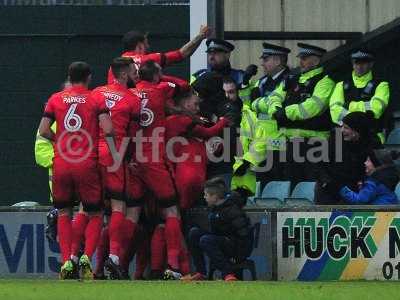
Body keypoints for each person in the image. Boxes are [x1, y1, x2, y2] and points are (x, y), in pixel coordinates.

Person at [37, 61, 114, 279]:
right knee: (95, 212)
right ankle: (87, 257)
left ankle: (67, 262)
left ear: (69, 78)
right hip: (86, 162)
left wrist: (60, 140)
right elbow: (108, 129)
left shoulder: (55, 98)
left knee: (63, 213)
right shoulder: (96, 98)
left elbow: (44, 131)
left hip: (62, 162)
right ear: (89, 77)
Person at [129, 60, 188, 278]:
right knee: (171, 211)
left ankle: (116, 264)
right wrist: (163, 79)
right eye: (159, 73)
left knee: (130, 214)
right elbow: (183, 86)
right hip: (154, 159)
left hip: (131, 160)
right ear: (155, 76)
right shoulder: (161, 89)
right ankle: (172, 266)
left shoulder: (130, 94)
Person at [90, 57, 141, 279]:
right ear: (123, 74)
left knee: (90, 211)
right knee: (120, 209)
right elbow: (133, 134)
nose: (135, 75)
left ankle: (78, 260)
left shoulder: (97, 92)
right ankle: (114, 257)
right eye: (133, 71)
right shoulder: (132, 99)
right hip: (116, 155)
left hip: (91, 156)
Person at [269, 43, 336, 185]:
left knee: (312, 184)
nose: (301, 62)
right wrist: (275, 110)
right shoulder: (292, 79)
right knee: (290, 185)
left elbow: (313, 107)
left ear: (316, 61)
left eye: (305, 58)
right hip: (290, 143)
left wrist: (285, 112)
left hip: (314, 144)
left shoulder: (325, 81)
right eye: (301, 58)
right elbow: (274, 97)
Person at [236, 43, 291, 192]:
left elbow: (272, 103)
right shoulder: (263, 81)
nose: (262, 63)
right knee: (262, 182)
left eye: (266, 59)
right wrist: (245, 83)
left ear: (278, 61)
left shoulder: (288, 80)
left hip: (278, 140)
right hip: (259, 139)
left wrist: (256, 103)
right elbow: (247, 103)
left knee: (276, 183)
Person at [166, 90, 231, 210]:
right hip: (187, 176)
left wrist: (215, 146)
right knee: (179, 213)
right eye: (195, 104)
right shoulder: (180, 121)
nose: (198, 108)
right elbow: (207, 133)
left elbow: (197, 145)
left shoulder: (186, 125)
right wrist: (224, 121)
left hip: (192, 175)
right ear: (186, 104)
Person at [184, 177, 252, 282]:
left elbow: (244, 233)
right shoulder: (215, 208)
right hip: (223, 239)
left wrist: (240, 256)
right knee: (194, 233)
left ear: (215, 197)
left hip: (235, 246)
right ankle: (201, 272)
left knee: (206, 240)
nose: (204, 197)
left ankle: (228, 273)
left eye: (206, 195)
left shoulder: (232, 210)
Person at [315, 112, 382, 205]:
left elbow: (379, 168)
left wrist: (364, 182)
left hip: (357, 187)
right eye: (342, 126)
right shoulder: (336, 139)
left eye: (346, 128)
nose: (342, 130)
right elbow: (319, 163)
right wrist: (326, 182)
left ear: (357, 130)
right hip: (330, 186)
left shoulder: (372, 142)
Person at [108, 25, 211, 84]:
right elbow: (182, 54)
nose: (148, 47)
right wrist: (201, 36)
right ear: (140, 46)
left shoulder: (114, 67)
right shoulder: (147, 60)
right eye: (146, 43)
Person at [330, 49, 391, 143]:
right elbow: (334, 111)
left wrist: (349, 105)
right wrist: (352, 125)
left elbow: (376, 109)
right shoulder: (341, 85)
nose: (359, 66)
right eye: (356, 63)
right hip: (346, 136)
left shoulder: (382, 85)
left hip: (371, 136)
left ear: (371, 64)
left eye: (363, 63)